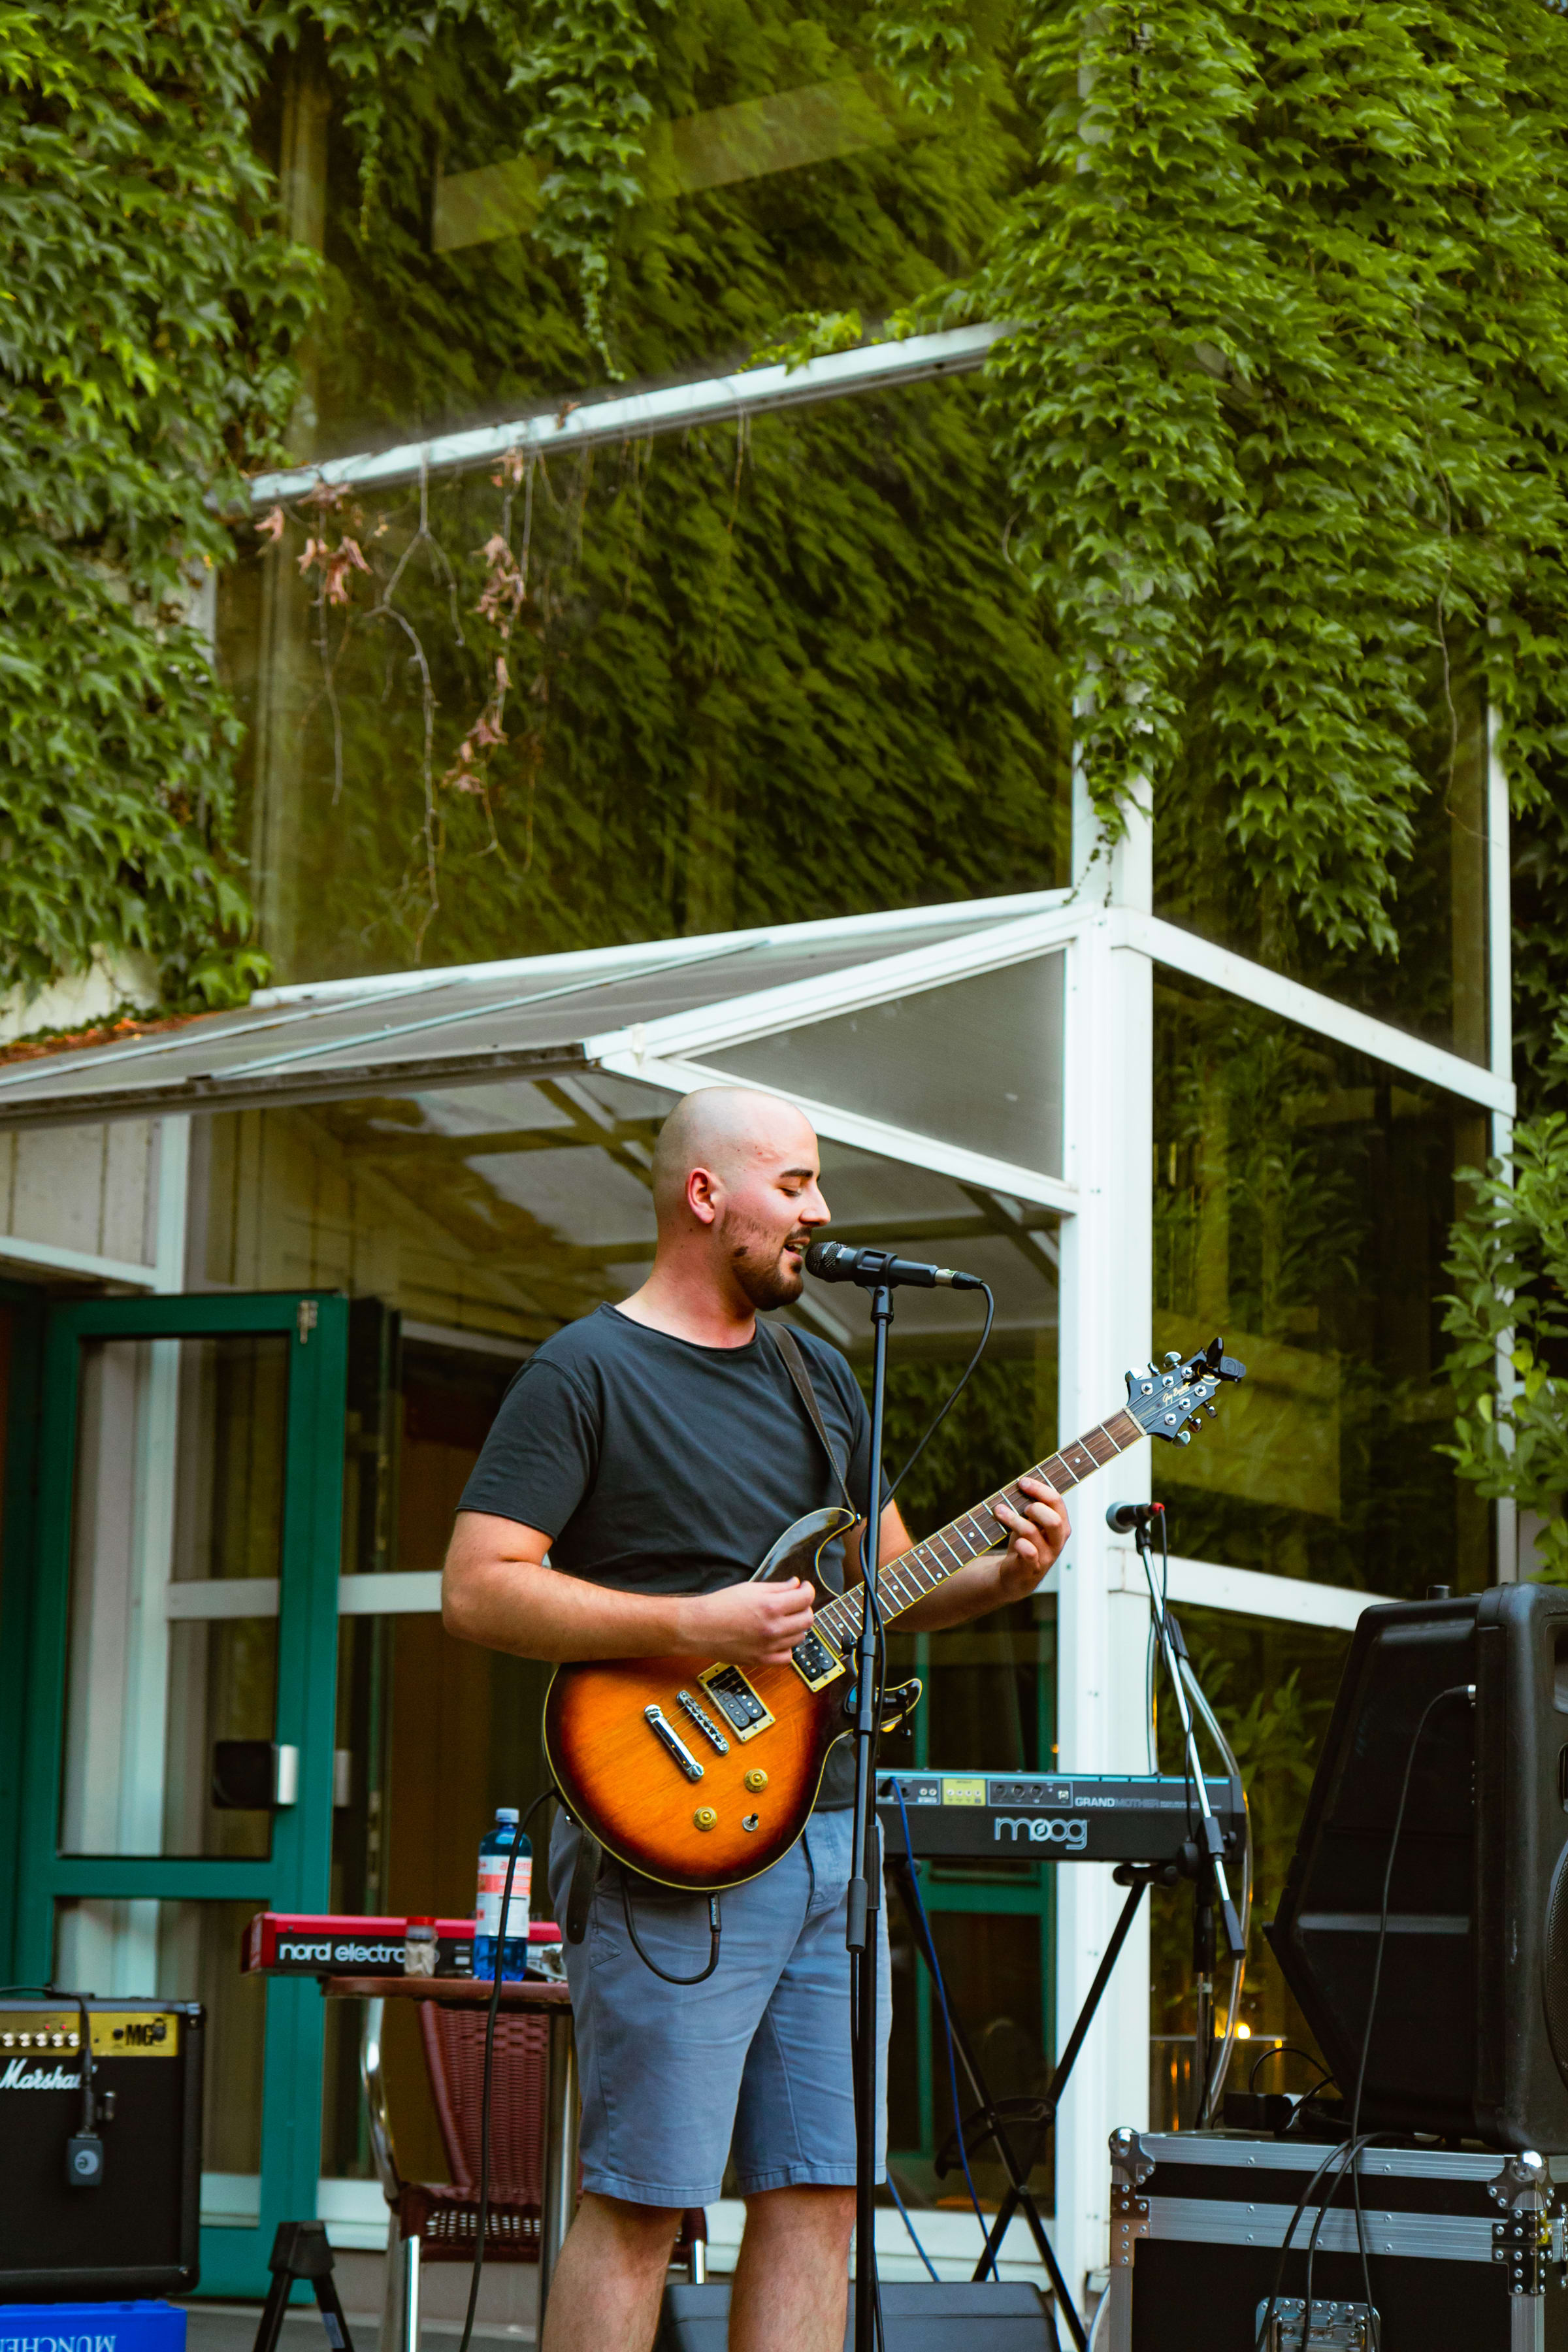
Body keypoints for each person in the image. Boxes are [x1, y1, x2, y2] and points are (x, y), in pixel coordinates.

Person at [442, 1086, 1070, 2352]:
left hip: (828, 1836)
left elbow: (888, 1584)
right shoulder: (586, 1371)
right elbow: (477, 1587)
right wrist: (696, 1625)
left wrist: (1007, 1577)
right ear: (704, 1195)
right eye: (794, 1185)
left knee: (821, 2195)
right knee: (645, 2202)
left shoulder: (818, 1374)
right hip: (668, 1837)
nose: (822, 1211)